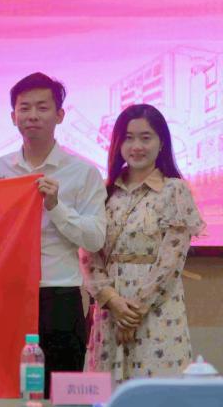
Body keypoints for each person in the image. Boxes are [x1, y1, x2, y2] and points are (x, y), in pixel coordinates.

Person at [0, 72, 106, 395]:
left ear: (60, 115)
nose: (32, 116)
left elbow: (95, 238)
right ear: (13, 116)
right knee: (9, 391)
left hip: (60, 295)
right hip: (8, 294)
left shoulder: (83, 172)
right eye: (24, 108)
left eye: (42, 108)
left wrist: (56, 206)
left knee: (63, 393)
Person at [83, 104, 204, 383]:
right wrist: (113, 301)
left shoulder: (175, 190)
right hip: (110, 310)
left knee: (156, 394)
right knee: (106, 392)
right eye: (128, 138)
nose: (136, 146)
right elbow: (88, 253)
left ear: (161, 143)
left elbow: (171, 262)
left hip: (157, 313)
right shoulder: (104, 192)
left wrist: (133, 312)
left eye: (145, 137)